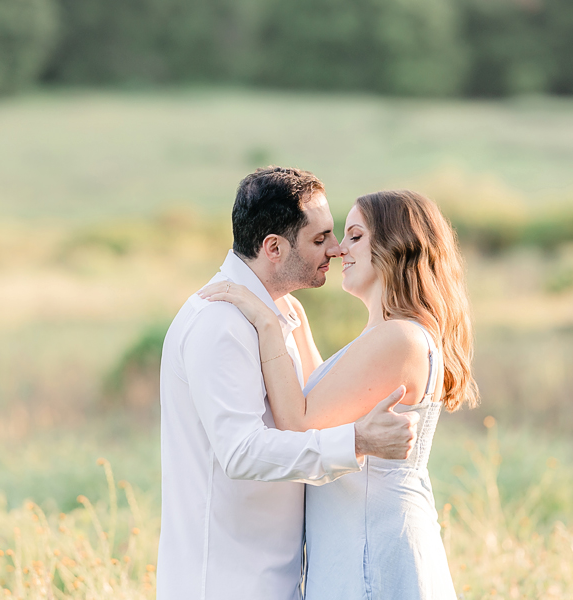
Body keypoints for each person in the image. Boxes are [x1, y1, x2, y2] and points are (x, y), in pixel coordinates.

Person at [200, 189, 479, 599]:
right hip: (359, 539)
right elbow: (320, 400)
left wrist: (266, 323)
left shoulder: (398, 337)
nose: (337, 249)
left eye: (354, 236)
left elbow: (299, 421)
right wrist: (291, 318)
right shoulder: (386, 334)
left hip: (372, 547)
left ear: (394, 246)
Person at [156, 167, 419, 600]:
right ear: (273, 247)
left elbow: (309, 409)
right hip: (227, 580)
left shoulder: (286, 315)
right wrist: (357, 441)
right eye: (319, 239)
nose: (335, 250)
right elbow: (241, 452)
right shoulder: (221, 323)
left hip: (278, 575)